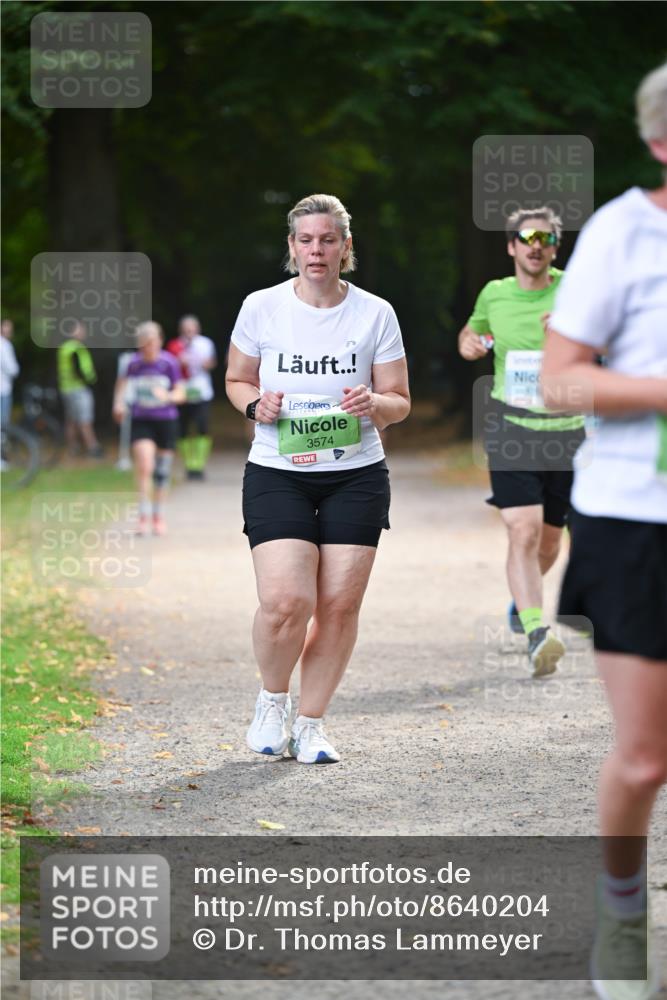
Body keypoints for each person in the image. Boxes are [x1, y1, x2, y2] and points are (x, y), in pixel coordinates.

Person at [542, 61, 667, 1000]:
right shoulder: (624, 234)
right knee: (646, 756)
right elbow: (561, 382)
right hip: (637, 521)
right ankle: (622, 908)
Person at [226, 193, 410, 764]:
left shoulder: (375, 313)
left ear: (345, 247)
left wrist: (373, 402)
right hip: (278, 470)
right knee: (286, 601)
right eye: (306, 240)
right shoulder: (261, 307)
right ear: (291, 247)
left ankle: (311, 724)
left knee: (338, 607)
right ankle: (272, 700)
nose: (316, 250)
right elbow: (236, 380)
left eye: (328, 239)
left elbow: (401, 401)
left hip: (354, 474)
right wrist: (258, 406)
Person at [458, 207, 585, 677]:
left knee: (551, 542)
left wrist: (574, 336)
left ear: (555, 246)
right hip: (511, 426)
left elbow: (612, 347)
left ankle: (521, 602)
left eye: (546, 239)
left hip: (568, 429)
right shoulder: (495, 293)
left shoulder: (576, 289)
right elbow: (474, 332)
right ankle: (537, 632)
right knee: (523, 530)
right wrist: (469, 342)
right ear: (511, 246)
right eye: (527, 237)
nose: (536, 245)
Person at [113, 322, 185, 536]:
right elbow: (122, 386)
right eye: (143, 346)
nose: (148, 349)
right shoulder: (133, 364)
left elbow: (181, 393)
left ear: (159, 341)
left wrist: (169, 396)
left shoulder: (169, 363)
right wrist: (118, 404)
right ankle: (143, 517)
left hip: (166, 421)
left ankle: (158, 516)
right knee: (145, 466)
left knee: (162, 473)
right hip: (141, 420)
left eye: (151, 344)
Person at [167, 315, 217, 480]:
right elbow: (170, 366)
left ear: (197, 329)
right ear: (181, 330)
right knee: (183, 428)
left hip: (202, 391)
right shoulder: (175, 345)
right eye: (186, 328)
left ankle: (199, 463)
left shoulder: (205, 343)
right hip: (183, 391)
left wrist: (204, 363)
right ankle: (189, 464)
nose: (189, 331)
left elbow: (212, 363)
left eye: (192, 328)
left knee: (202, 426)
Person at [57, 321, 103, 458]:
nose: (83, 332)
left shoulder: (64, 347)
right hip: (79, 389)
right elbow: (79, 370)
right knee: (84, 420)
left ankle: (73, 448)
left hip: (66, 388)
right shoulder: (75, 348)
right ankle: (93, 448)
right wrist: (89, 380)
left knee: (71, 420)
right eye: (80, 330)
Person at [0, 319, 19, 429]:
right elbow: (12, 368)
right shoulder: (5, 345)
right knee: (3, 422)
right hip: (3, 389)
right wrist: (16, 370)